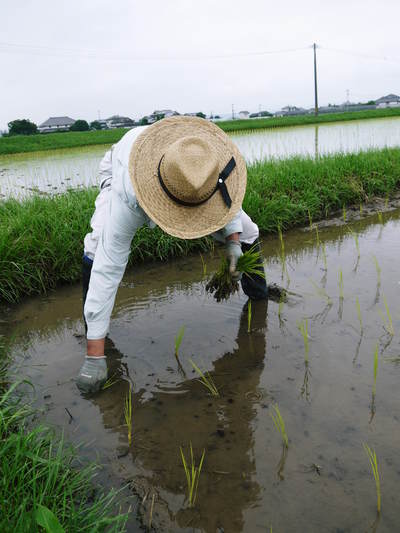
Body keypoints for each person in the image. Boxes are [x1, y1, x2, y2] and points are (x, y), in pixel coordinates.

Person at [77, 116, 267, 393]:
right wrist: (93, 357)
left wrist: (233, 243)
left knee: (248, 231)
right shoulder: (129, 198)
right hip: (119, 167)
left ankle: (259, 295)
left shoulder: (202, 161)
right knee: (96, 246)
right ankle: (93, 333)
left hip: (179, 173)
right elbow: (108, 269)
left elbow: (226, 201)